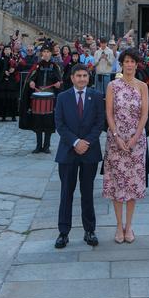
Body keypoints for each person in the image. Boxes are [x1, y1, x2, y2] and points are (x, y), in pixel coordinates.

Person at [54, 63, 106, 250]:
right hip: (68, 151)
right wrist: (76, 142)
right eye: (79, 76)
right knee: (66, 193)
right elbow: (59, 124)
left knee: (87, 192)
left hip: (89, 152)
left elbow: (99, 123)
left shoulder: (97, 97)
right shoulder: (62, 97)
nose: (82, 79)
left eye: (85, 75)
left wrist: (87, 143)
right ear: (72, 78)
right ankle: (63, 232)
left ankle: (89, 230)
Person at [103, 49, 149, 244]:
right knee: (116, 182)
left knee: (132, 183)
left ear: (137, 64)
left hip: (136, 142)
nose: (129, 65)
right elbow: (109, 113)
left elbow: (144, 114)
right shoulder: (113, 85)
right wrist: (116, 136)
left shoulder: (142, 87)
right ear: (121, 64)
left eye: (132, 61)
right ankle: (118, 225)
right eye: (126, 61)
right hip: (116, 140)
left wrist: (135, 137)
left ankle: (129, 226)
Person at [19, 44, 62, 154]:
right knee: (37, 121)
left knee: (49, 121)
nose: (46, 54)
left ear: (51, 54)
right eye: (44, 52)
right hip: (38, 96)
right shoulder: (37, 66)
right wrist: (31, 82)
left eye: (48, 52)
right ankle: (38, 146)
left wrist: (58, 84)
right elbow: (31, 79)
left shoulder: (55, 66)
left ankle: (46, 146)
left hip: (50, 97)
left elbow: (60, 81)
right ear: (41, 53)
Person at [0, 45, 20, 121]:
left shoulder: (14, 59)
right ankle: (3, 115)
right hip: (2, 83)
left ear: (11, 51)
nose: (7, 51)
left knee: (12, 99)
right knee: (3, 99)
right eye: (6, 49)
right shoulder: (0, 60)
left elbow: (18, 69)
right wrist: (4, 73)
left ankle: (13, 115)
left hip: (11, 82)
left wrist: (14, 70)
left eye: (9, 49)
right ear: (3, 51)